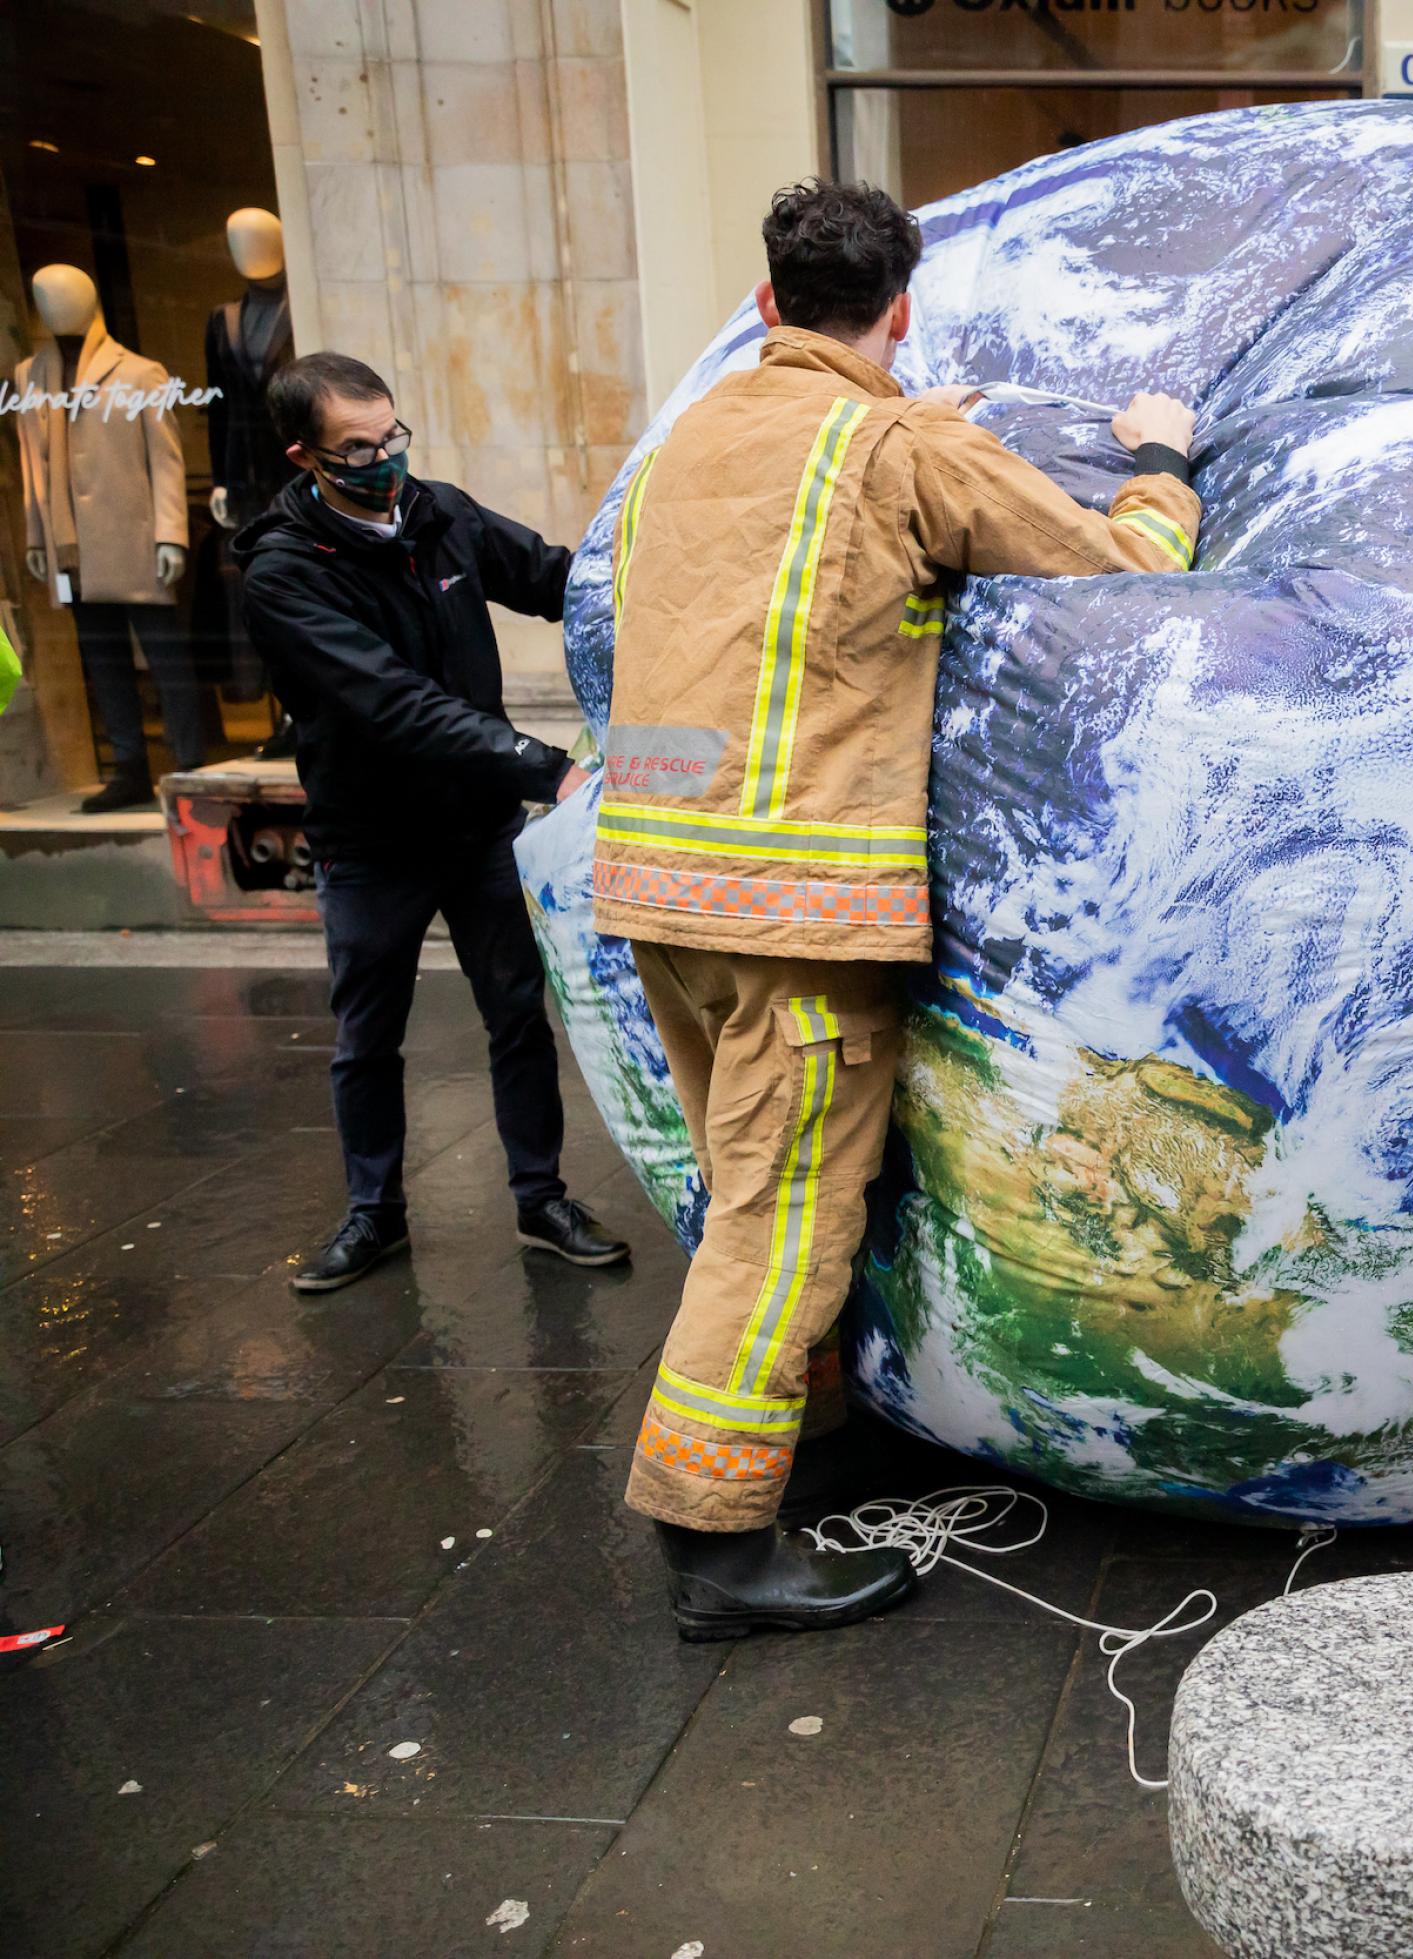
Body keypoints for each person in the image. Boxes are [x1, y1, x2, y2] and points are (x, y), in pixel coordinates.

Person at [596, 179, 1202, 1640]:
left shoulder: (691, 435)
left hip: (658, 886)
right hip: (797, 911)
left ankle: (794, 1426)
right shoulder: (897, 446)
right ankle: (714, 1540)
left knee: (736, 1174)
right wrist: (1161, 466)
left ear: (764, 305)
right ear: (902, 312)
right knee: (781, 1210)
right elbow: (1122, 572)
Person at [235, 354, 631, 1292]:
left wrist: (666, 608)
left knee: (517, 1017)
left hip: (477, 827)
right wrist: (551, 770)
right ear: (307, 458)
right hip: (369, 843)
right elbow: (397, 705)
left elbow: (555, 580)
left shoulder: (439, 513)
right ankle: (375, 1214)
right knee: (367, 1035)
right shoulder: (284, 574)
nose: (384, 461)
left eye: (393, 436)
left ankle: (542, 1198)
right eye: (359, 449)